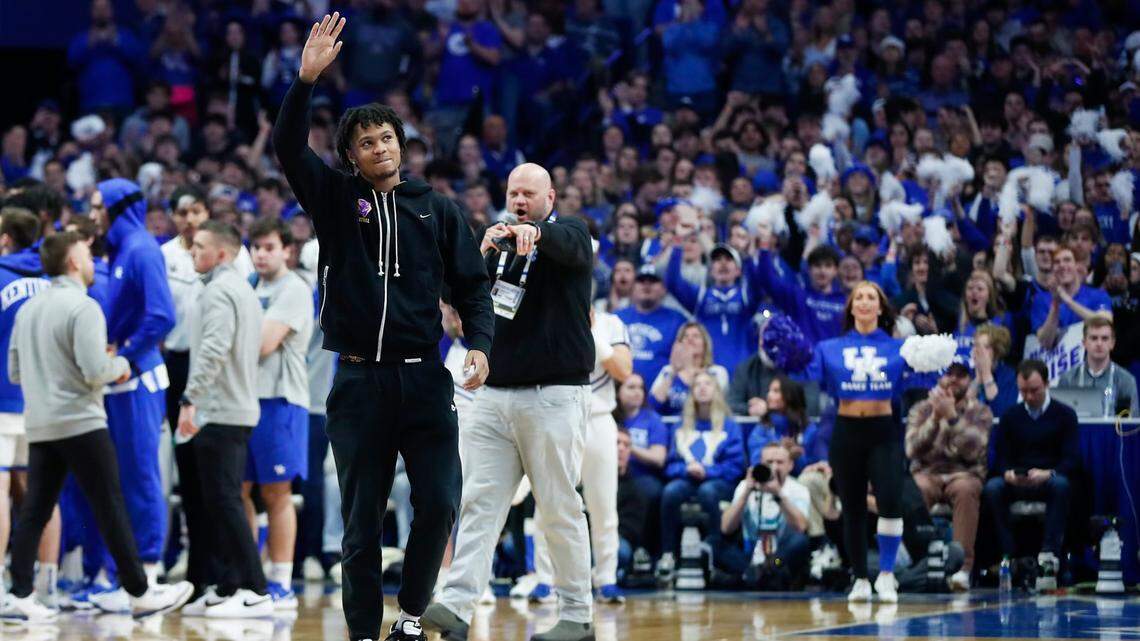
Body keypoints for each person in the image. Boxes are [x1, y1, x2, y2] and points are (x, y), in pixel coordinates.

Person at [273, 13, 495, 641]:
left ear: (402, 143)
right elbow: (289, 148)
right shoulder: (336, 199)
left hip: (426, 381)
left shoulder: (439, 211)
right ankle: (365, 635)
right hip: (358, 386)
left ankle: (412, 613)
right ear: (351, 155)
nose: (380, 148)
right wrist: (305, 81)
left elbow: (474, 290)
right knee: (360, 525)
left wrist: (479, 344)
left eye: (387, 138)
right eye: (367, 142)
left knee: (442, 504)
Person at [423, 163, 596, 641]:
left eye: (529, 194)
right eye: (513, 192)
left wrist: (535, 234)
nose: (519, 200)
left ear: (550, 198)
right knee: (479, 501)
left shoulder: (570, 233)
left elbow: (572, 247)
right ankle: (456, 606)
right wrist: (473, 255)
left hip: (554, 396)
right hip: (494, 397)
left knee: (559, 506)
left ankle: (578, 616)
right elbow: (449, 294)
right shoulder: (491, 240)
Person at [4, 232, 193, 622]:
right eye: (88, 256)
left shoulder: (29, 309)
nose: (93, 262)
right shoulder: (84, 307)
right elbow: (96, 373)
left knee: (35, 510)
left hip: (41, 424)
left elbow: (15, 372)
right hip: (81, 423)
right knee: (110, 504)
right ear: (73, 261)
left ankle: (19, 594)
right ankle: (140, 592)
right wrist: (124, 365)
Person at [176, 221, 269, 618]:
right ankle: (230, 583)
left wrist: (189, 397)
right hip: (236, 405)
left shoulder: (219, 291)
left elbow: (214, 348)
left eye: (199, 246)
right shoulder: (241, 289)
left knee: (225, 501)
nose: (192, 252)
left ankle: (254, 587)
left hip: (222, 408)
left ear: (222, 254)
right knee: (222, 499)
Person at [88, 178, 176, 590]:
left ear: (117, 207)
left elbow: (162, 316)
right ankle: (122, 572)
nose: (92, 216)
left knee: (141, 475)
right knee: (120, 478)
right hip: (119, 380)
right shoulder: (124, 250)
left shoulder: (142, 249)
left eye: (96, 207)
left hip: (139, 380)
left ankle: (149, 568)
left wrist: (125, 352)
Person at [809, 281, 909, 603]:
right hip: (846, 431)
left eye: (872, 297)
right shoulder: (829, 347)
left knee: (890, 502)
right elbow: (807, 375)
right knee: (851, 508)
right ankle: (861, 578)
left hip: (883, 431)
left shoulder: (900, 347)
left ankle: (887, 576)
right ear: (851, 308)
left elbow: (922, 379)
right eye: (859, 298)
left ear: (880, 308)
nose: (865, 302)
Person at [531, 308, 632, 604]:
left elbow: (624, 371)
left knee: (603, 505)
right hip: (558, 415)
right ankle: (545, 579)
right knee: (549, 501)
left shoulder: (611, 323)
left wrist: (592, 334)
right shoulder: (550, 314)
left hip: (600, 417)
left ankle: (606, 578)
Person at [242, 217, 314, 608]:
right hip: (245, 400)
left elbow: (264, 344)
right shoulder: (249, 286)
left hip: (281, 400)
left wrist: (225, 338)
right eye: (255, 247)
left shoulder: (294, 289)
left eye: (268, 247)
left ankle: (281, 580)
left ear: (287, 249)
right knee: (240, 490)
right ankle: (251, 576)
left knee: (277, 492)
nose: (260, 254)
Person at [0, 209, 60, 608]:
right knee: (42, 494)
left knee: (2, 490)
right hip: (46, 401)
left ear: (6, 239)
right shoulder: (52, 280)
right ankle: (49, 584)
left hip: (3, 399)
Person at [985, 359, 1079, 581]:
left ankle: (1049, 555)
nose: (1028, 397)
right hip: (1018, 480)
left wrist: (1049, 473)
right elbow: (1000, 458)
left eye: (1034, 391)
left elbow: (1071, 459)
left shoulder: (1065, 415)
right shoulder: (1011, 416)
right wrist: (1007, 473)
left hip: (1047, 478)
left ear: (1046, 384)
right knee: (992, 488)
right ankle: (1010, 556)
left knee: (1062, 485)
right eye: (1023, 391)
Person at [905, 363, 992, 591]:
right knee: (915, 488)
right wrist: (934, 418)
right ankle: (919, 563)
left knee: (965, 489)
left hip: (964, 473)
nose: (953, 380)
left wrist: (953, 418)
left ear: (970, 380)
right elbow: (912, 450)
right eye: (949, 374)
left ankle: (962, 570)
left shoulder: (981, 411)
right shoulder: (921, 409)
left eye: (961, 375)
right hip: (928, 473)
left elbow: (973, 450)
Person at [657, 371, 745, 582]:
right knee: (670, 492)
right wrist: (686, 469)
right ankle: (668, 554)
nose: (703, 388)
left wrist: (708, 472)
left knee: (708, 491)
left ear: (717, 391)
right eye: (697, 385)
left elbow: (736, 466)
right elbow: (669, 465)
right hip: (687, 479)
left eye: (708, 384)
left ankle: (715, 549)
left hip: (719, 481)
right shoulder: (680, 426)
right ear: (691, 392)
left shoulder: (729, 426)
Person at [716, 443, 810, 587]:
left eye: (779, 462)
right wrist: (746, 493)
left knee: (800, 543)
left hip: (779, 559)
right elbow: (726, 528)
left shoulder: (798, 490)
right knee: (715, 543)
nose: (774, 467)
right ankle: (752, 573)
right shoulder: (745, 486)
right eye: (769, 462)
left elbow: (801, 527)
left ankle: (756, 575)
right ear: (760, 464)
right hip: (749, 557)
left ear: (790, 465)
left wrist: (779, 494)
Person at [616, 264, 688, 385]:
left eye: (653, 281)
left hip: (660, 396)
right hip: (621, 395)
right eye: (641, 281)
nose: (646, 285)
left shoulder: (677, 320)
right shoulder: (617, 318)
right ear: (633, 287)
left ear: (664, 288)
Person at [1033, 243, 1112, 349]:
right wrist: (1055, 304)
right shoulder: (1041, 299)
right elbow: (1045, 342)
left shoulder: (1098, 295)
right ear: (1053, 269)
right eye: (1057, 262)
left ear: (1077, 266)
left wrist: (1068, 300)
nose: (1062, 265)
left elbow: (1105, 323)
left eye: (1067, 260)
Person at [1057, 317, 1139, 415]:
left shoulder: (1126, 380)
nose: (1099, 343)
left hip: (1112, 430)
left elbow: (1132, 423)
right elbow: (1059, 420)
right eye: (1094, 338)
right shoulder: (1068, 378)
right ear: (1084, 343)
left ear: (1112, 343)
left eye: (1104, 338)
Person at [650, 321, 729, 416]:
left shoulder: (717, 372)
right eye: (685, 336)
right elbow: (652, 406)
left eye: (696, 336)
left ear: (705, 343)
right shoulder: (668, 371)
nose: (690, 339)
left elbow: (718, 405)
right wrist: (674, 371)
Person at [970, 324, 1018, 419]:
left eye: (986, 347)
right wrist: (978, 379)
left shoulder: (1009, 376)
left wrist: (986, 374)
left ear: (997, 351)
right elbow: (962, 409)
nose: (979, 351)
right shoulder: (968, 372)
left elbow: (1000, 412)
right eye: (976, 345)